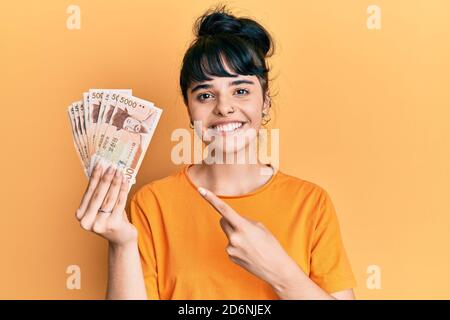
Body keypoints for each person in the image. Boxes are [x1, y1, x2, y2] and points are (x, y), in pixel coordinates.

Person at [75, 5, 357, 300]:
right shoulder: (152, 203)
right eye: (206, 95)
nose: (224, 107)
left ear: (265, 102)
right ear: (188, 108)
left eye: (241, 90)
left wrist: (280, 271)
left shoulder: (311, 203)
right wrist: (121, 244)